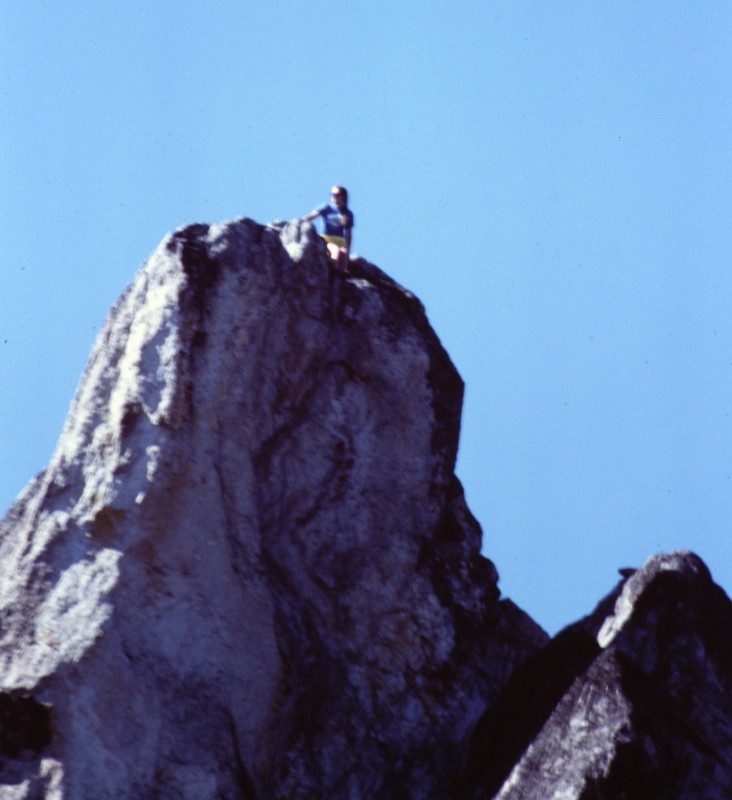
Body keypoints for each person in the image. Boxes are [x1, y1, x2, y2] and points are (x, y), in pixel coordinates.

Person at [303, 186, 354, 273]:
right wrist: (300, 222)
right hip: (327, 239)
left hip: (340, 240)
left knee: (344, 253)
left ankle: (341, 277)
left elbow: (349, 233)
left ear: (343, 197)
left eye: (336, 195)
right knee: (335, 251)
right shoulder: (326, 207)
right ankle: (334, 273)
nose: (333, 197)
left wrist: (347, 247)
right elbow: (310, 217)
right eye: (332, 194)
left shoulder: (347, 213)